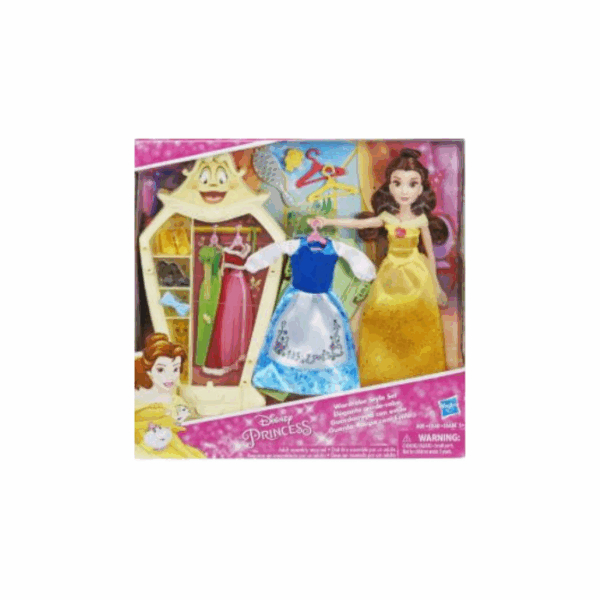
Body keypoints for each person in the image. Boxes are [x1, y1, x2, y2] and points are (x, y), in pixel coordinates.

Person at [312, 148, 448, 386]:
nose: (404, 191)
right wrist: (329, 221)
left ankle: (421, 373)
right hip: (390, 272)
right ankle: (383, 372)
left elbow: (431, 255)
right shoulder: (387, 217)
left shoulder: (421, 219)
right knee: (378, 315)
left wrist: (436, 284)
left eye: (412, 184)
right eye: (398, 183)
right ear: (390, 186)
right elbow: (359, 223)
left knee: (420, 319)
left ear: (420, 189)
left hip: (417, 273)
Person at [134, 333, 194, 419]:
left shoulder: (176, 401)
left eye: (175, 369)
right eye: (161, 370)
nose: (170, 376)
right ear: (149, 370)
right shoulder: (138, 402)